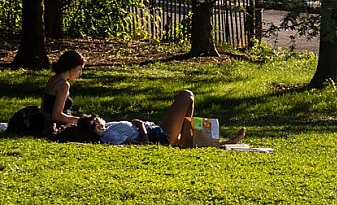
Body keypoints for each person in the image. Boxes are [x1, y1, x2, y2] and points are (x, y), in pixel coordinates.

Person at [96, 89, 246, 147]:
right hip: (161, 137)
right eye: (96, 119)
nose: (99, 117)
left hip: (158, 129)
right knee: (186, 96)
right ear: (96, 126)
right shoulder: (108, 135)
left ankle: (219, 143)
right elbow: (143, 144)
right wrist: (141, 125)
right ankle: (187, 141)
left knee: (188, 97)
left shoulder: (109, 126)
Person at [40, 49, 98, 142]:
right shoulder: (63, 85)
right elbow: (56, 116)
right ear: (71, 67)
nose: (80, 73)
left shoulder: (53, 79)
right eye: (79, 69)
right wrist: (80, 121)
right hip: (52, 125)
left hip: (44, 121)